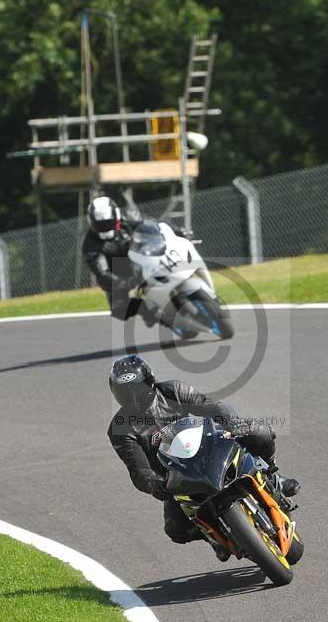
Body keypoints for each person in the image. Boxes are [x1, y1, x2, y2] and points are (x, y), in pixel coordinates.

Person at [107, 354, 300, 559]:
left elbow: (210, 405)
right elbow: (138, 469)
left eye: (138, 389)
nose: (134, 396)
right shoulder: (120, 428)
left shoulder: (171, 390)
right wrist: (154, 483)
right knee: (175, 528)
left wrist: (230, 420)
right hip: (175, 478)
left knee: (257, 431)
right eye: (125, 392)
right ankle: (214, 536)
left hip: (208, 448)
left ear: (150, 381)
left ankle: (273, 474)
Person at [83, 195, 155, 324]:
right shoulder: (90, 245)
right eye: (99, 225)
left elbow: (154, 225)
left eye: (108, 223)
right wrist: (124, 282)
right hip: (119, 273)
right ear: (91, 221)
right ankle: (145, 310)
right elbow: (102, 273)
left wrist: (179, 231)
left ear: (116, 216)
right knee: (118, 310)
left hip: (144, 255)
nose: (105, 228)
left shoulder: (129, 218)